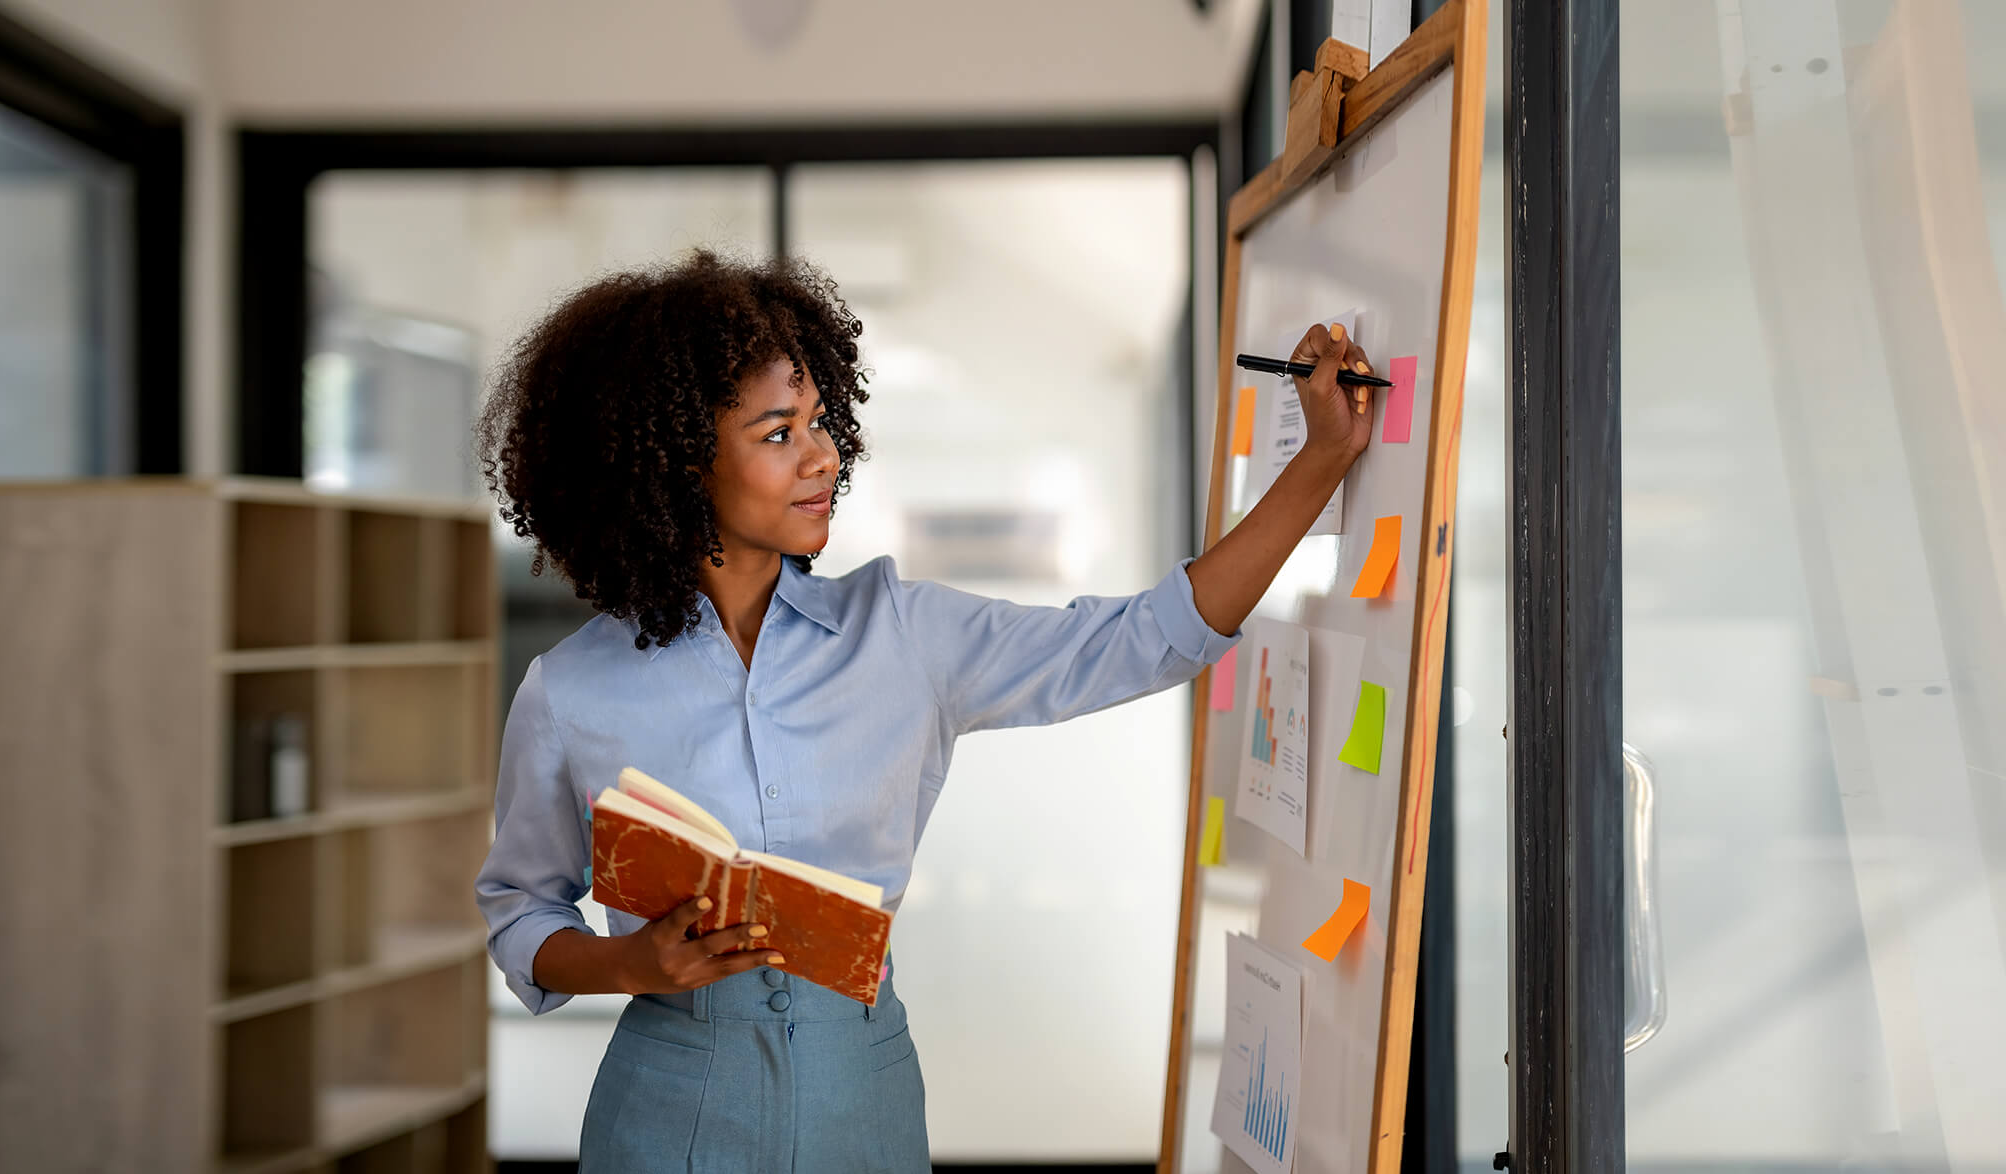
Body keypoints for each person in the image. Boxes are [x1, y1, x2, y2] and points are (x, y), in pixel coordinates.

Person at [472, 249, 1376, 1173]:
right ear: (678, 460)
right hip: (668, 1111)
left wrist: (1323, 459)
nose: (824, 456)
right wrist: (629, 967)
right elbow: (520, 915)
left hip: (861, 1094)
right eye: (778, 433)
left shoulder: (901, 633)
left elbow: (1150, 637)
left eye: (820, 421)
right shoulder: (570, 690)